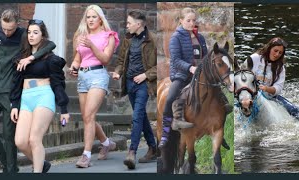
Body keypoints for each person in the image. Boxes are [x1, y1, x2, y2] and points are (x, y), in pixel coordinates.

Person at [0, 9, 56, 173]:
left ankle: (11, 169)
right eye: (4, 29)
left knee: (10, 136)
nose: (7, 33)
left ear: (18, 24)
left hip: (11, 91)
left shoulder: (24, 34)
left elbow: (50, 44)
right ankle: (28, 164)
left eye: (11, 29)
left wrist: (31, 57)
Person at [158, 7, 232, 149]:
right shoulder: (176, 38)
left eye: (194, 20)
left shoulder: (200, 38)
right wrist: (190, 68)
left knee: (222, 100)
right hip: (182, 75)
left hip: (200, 75)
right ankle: (166, 134)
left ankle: (218, 131)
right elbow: (175, 59)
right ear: (181, 21)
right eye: (188, 20)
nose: (192, 23)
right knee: (170, 98)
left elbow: (205, 58)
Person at [9, 19, 70, 173]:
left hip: (44, 95)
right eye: (29, 32)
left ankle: (37, 171)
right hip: (26, 98)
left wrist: (63, 108)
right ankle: (42, 164)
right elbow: (16, 83)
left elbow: (58, 83)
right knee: (21, 141)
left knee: (34, 139)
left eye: (35, 32)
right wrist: (14, 105)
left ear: (42, 36)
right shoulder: (22, 56)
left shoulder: (49, 58)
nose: (31, 36)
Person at [69, 4, 119, 168]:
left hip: (98, 76)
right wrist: (74, 67)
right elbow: (78, 58)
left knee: (89, 115)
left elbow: (105, 59)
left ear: (100, 19)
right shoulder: (82, 36)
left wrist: (91, 45)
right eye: (88, 17)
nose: (90, 20)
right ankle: (106, 143)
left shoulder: (108, 35)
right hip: (83, 77)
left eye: (93, 17)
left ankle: (86, 155)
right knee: (87, 117)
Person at [111, 10, 157, 170]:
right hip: (129, 84)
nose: (127, 25)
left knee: (137, 116)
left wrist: (145, 75)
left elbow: (161, 65)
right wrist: (117, 72)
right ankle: (153, 147)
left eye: (129, 23)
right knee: (142, 116)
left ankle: (132, 152)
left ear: (138, 24)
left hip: (144, 84)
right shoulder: (128, 39)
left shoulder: (153, 41)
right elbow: (122, 59)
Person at [242, 37, 299, 117]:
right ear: (269, 48)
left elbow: (278, 88)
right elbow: (241, 76)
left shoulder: (281, 67)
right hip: (250, 95)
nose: (277, 55)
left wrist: (267, 89)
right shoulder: (254, 58)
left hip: (270, 97)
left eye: (280, 53)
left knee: (295, 110)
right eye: (275, 51)